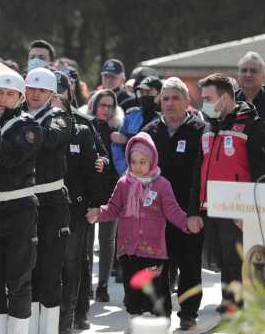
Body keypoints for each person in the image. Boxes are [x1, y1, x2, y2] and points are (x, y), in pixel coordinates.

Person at [86, 132, 201, 320]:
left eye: (143, 161)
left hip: (154, 251)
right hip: (129, 251)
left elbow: (173, 211)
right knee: (133, 299)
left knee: (157, 299)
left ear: (152, 160)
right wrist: (99, 213)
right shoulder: (124, 183)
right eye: (134, 162)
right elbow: (114, 208)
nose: (138, 167)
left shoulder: (162, 185)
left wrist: (187, 222)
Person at [190, 73, 265, 313]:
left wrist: (252, 213)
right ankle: (228, 301)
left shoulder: (252, 124)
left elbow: (260, 171)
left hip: (241, 208)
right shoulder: (207, 126)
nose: (205, 104)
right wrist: (195, 209)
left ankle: (239, 306)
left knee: (237, 259)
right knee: (222, 258)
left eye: (208, 98)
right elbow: (198, 171)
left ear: (224, 98)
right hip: (212, 205)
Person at [141, 77, 205, 329]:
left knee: (190, 265)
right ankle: (161, 314)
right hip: (155, 214)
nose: (169, 103)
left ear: (187, 102)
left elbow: (202, 176)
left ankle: (188, 314)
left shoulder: (200, 130)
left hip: (187, 212)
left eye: (175, 98)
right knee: (157, 266)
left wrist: (195, 212)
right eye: (165, 98)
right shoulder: (149, 131)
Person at [0, 70, 42, 333]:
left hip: (19, 211)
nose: (2, 98)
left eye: (9, 94)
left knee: (19, 280)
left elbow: (10, 157)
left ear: (20, 97)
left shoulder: (29, 126)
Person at [24, 68, 72, 334]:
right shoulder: (17, 117)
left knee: (50, 271)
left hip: (52, 204)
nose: (34, 94)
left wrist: (24, 127)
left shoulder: (60, 117)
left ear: (52, 95)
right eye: (30, 88)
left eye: (41, 90)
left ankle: (50, 329)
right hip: (23, 203)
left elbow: (51, 139)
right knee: (26, 272)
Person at [54, 79, 103, 333]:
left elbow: (99, 158)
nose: (54, 95)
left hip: (77, 207)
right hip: (45, 208)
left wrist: (102, 162)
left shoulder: (83, 125)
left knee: (75, 263)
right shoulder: (31, 123)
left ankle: (75, 315)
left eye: (59, 90)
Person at [84, 89, 124, 303]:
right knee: (87, 240)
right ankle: (87, 283)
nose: (106, 109)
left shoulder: (118, 129)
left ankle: (103, 285)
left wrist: (123, 139)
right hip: (90, 189)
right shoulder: (86, 126)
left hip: (112, 189)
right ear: (94, 105)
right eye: (102, 105)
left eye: (110, 106)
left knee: (107, 240)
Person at [110, 75, 162, 175]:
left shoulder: (166, 118)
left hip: (156, 176)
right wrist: (125, 170)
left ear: (159, 94)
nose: (144, 95)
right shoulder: (131, 116)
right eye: (142, 92)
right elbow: (116, 145)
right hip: (130, 174)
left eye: (149, 92)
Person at [235, 51, 265, 117]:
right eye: (244, 70)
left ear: (263, 76)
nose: (248, 75)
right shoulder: (229, 101)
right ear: (238, 76)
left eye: (253, 71)